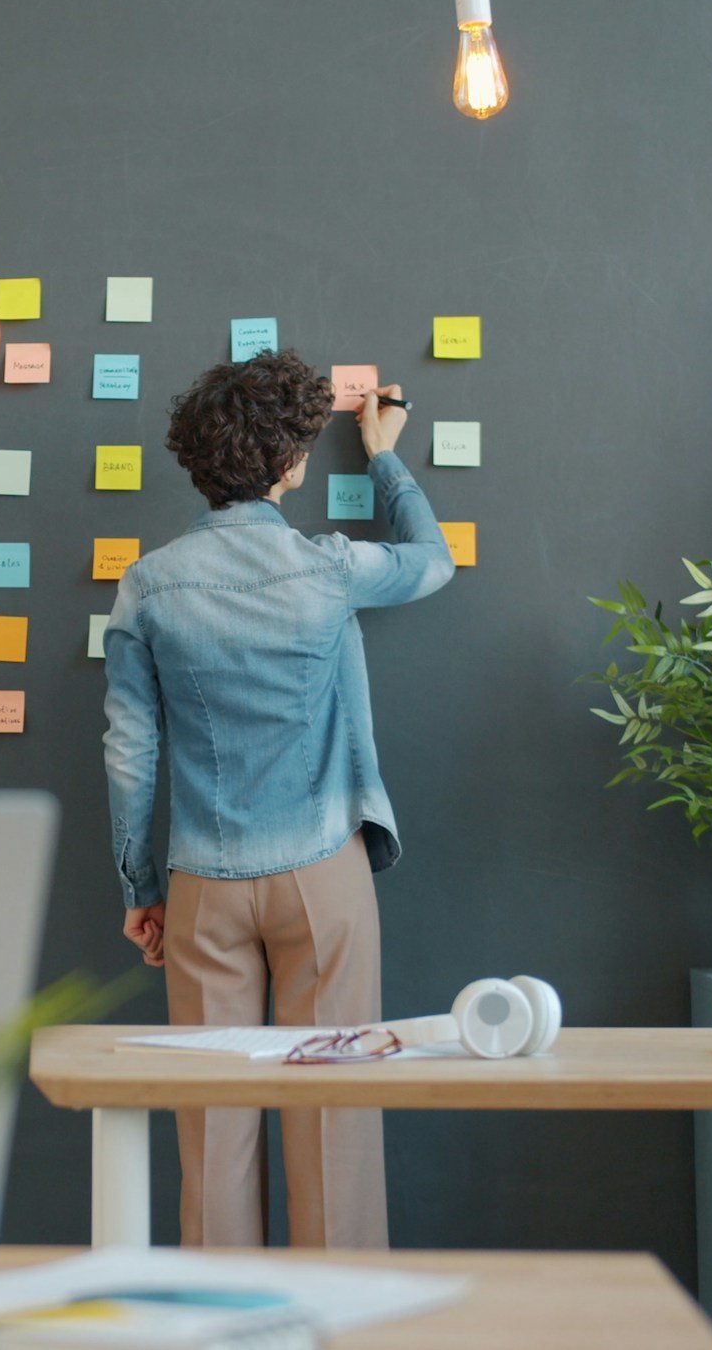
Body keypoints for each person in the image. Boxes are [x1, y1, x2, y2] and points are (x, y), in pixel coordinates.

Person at [99, 350, 454, 1250]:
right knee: (335, 1124)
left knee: (213, 1134)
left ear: (200, 464)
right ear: (292, 466)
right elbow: (433, 563)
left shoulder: (147, 584)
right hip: (322, 874)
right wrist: (383, 456)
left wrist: (142, 888)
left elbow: (130, 752)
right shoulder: (327, 568)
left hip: (202, 886)